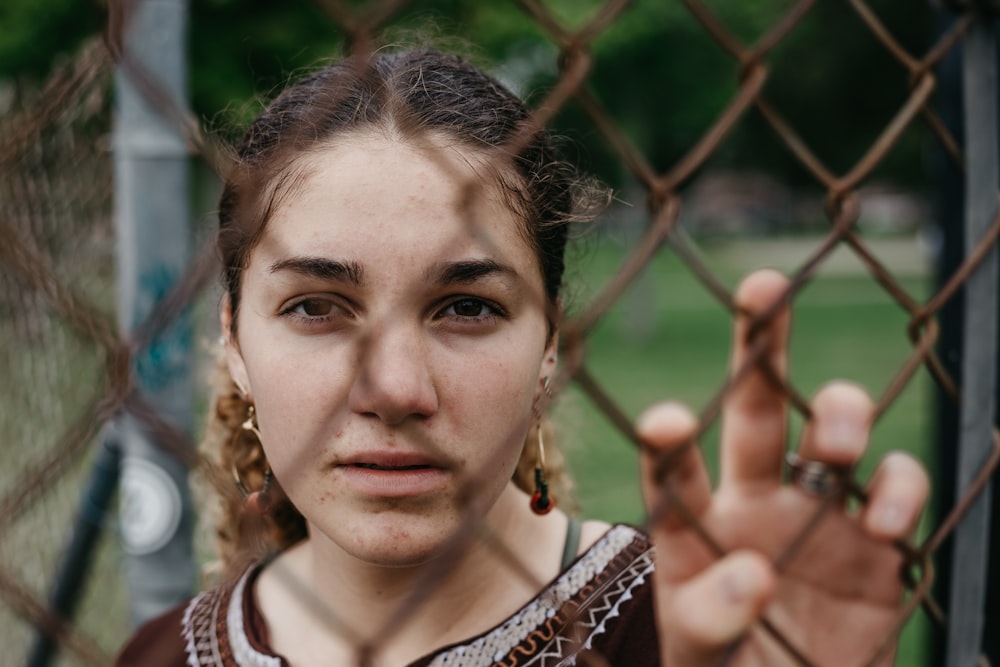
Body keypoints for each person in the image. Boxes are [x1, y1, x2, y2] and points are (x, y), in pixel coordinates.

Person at [114, 48, 930, 667]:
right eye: (317, 308)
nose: (395, 388)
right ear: (235, 342)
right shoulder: (158, 654)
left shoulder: (699, 623)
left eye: (466, 307)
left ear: (550, 345)